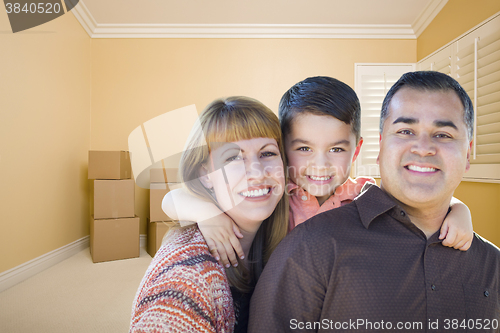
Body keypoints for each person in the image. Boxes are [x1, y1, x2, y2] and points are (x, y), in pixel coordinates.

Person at [248, 71, 500, 332]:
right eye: (405, 131)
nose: (423, 148)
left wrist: (459, 208)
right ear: (380, 148)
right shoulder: (279, 203)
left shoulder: (491, 264)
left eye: (443, 135)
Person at [163, 76, 473, 269]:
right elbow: (173, 199)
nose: (320, 165)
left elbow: (415, 204)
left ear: (356, 149)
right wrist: (208, 214)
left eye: (336, 149)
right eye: (304, 149)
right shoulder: (274, 193)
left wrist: (459, 210)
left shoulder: (365, 193)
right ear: (283, 148)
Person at [129, 96, 289, 333]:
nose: (257, 172)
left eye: (267, 153)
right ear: (205, 174)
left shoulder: (289, 224)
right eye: (233, 157)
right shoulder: (186, 277)